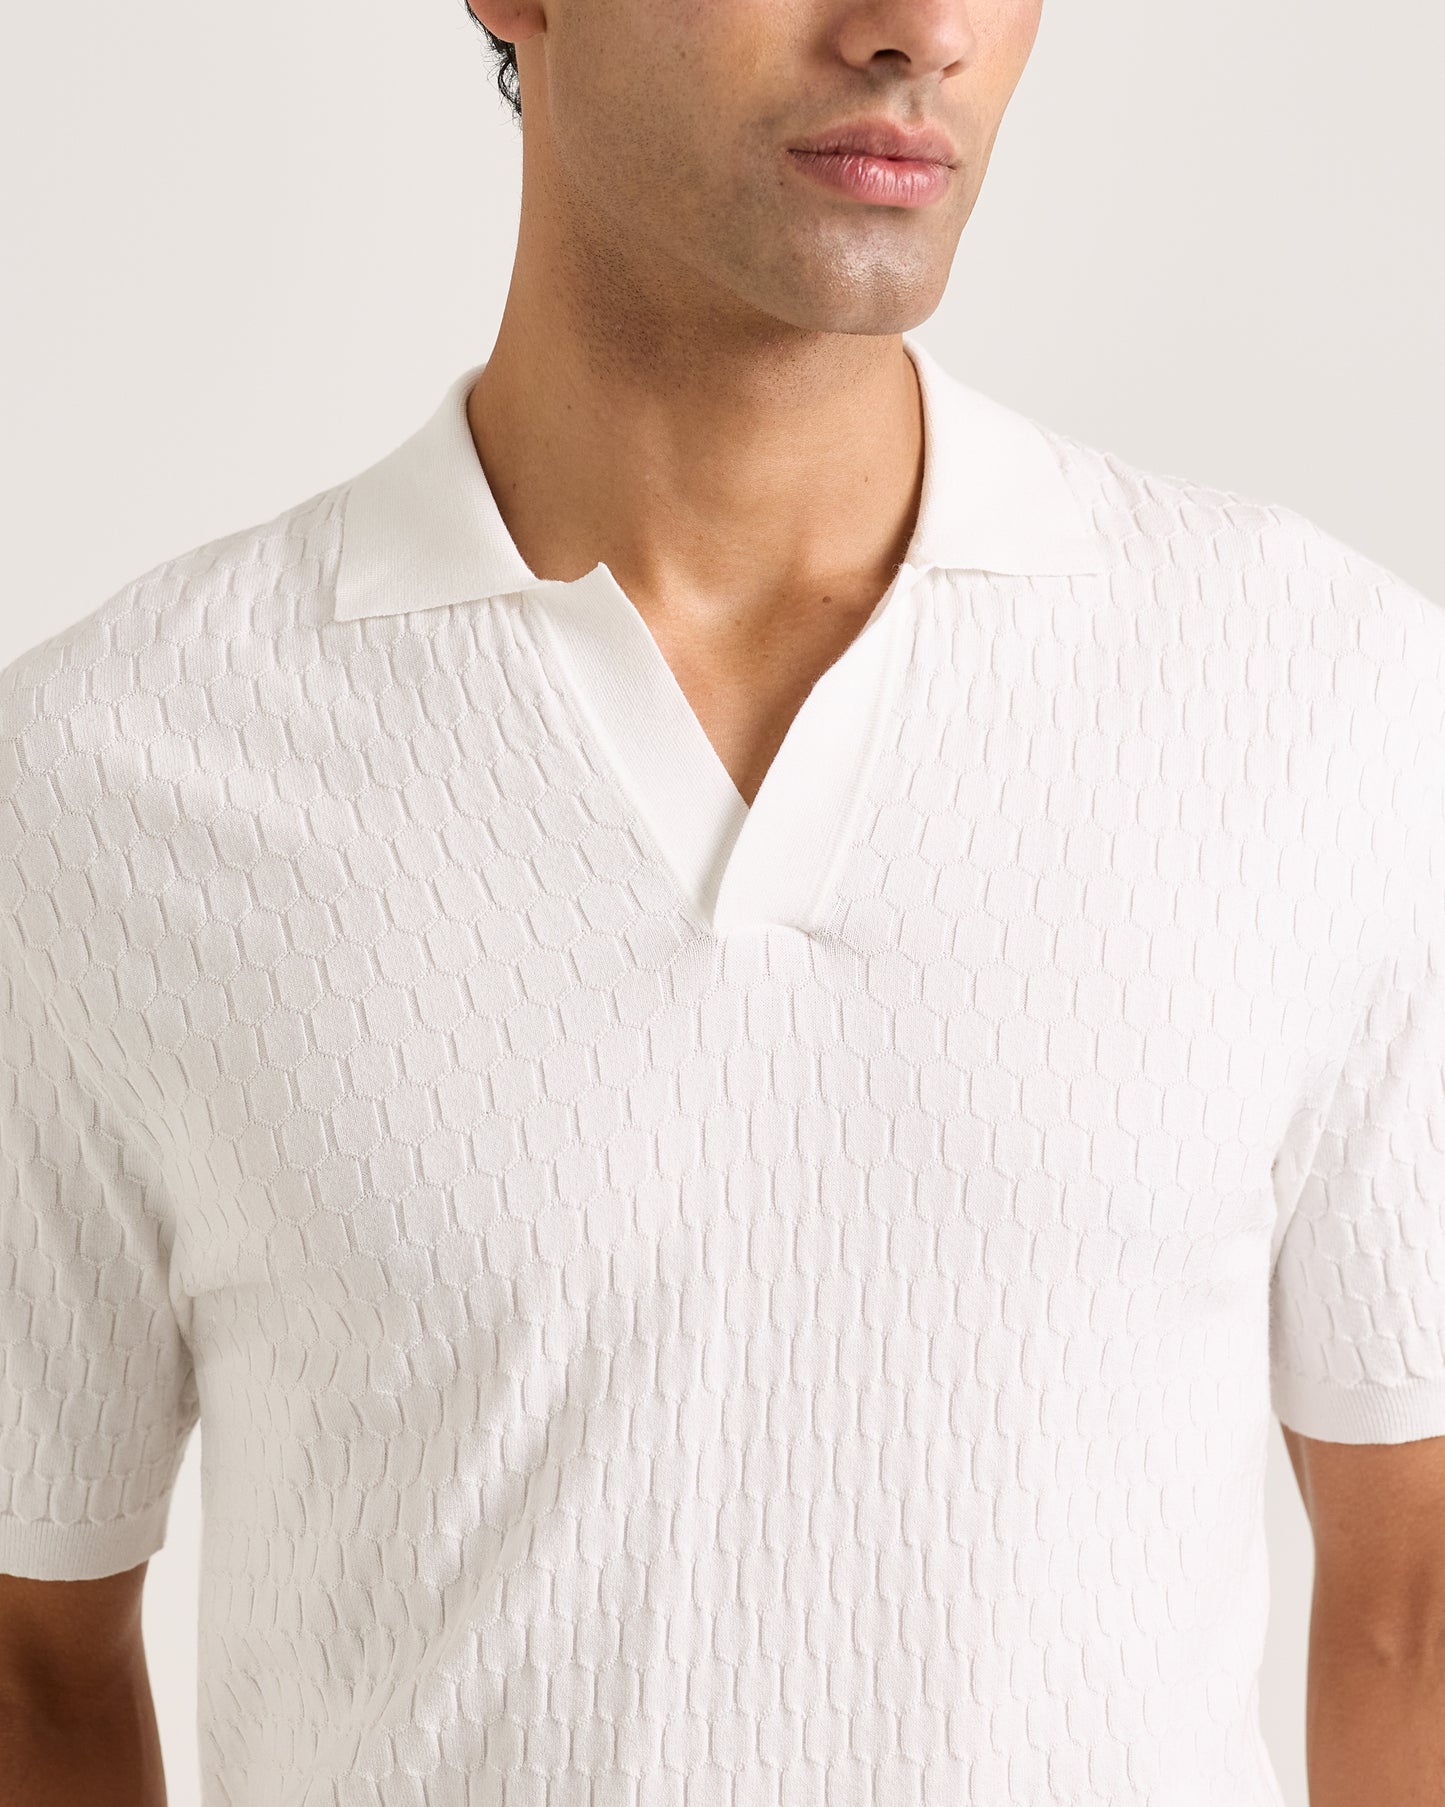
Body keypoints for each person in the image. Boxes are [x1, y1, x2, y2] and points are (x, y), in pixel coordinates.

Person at [2, 0, 1443, 1802]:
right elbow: (38, 1658)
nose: (919, 32)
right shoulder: (110, 777)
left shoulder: (1322, 699)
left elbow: (1410, 1604)